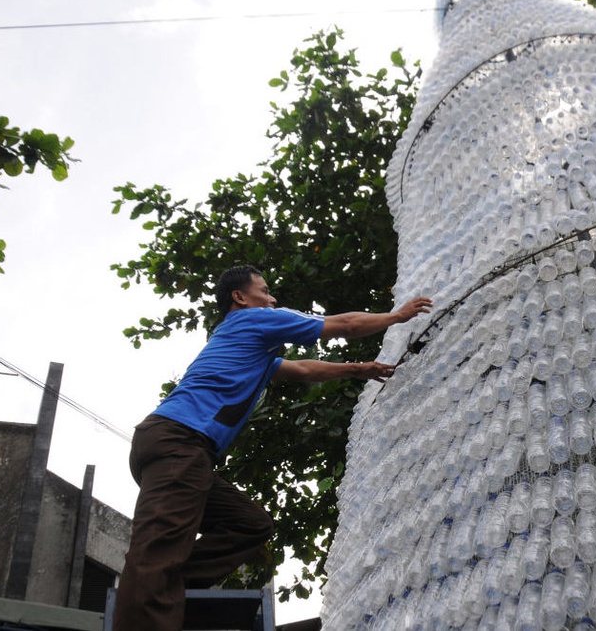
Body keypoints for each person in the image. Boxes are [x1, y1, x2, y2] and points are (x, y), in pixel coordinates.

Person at [113, 265, 432, 631]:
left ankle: (167, 585)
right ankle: (148, 606)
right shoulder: (254, 321)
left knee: (250, 525)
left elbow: (305, 370)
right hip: (180, 441)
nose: (272, 298)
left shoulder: (250, 347)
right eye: (264, 291)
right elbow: (344, 325)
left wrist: (357, 369)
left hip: (183, 450)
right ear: (240, 297)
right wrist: (398, 316)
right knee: (157, 549)